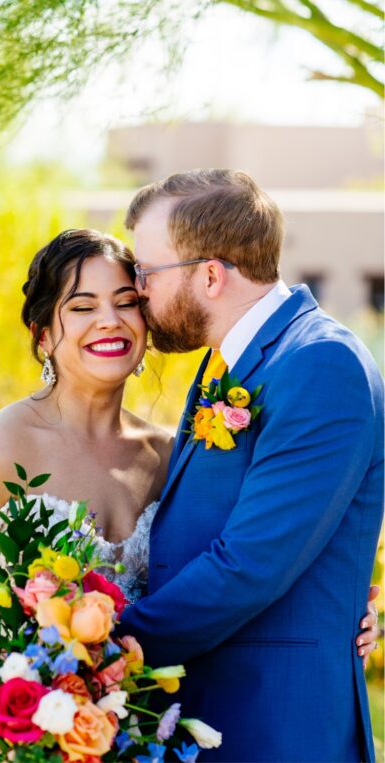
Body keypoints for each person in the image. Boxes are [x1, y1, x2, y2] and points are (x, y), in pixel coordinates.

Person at [0, 227, 379, 761]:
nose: (109, 320)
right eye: (82, 307)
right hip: (1, 739)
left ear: (146, 323)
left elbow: (249, 560)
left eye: (126, 302)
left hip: (124, 740)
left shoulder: (170, 458)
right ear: (42, 335)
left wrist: (346, 614)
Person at [117, 169, 383, 762]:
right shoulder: (230, 363)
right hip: (216, 712)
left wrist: (104, 648)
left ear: (210, 275)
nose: (137, 291)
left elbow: (252, 562)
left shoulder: (320, 363)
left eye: (146, 272)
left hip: (277, 725)